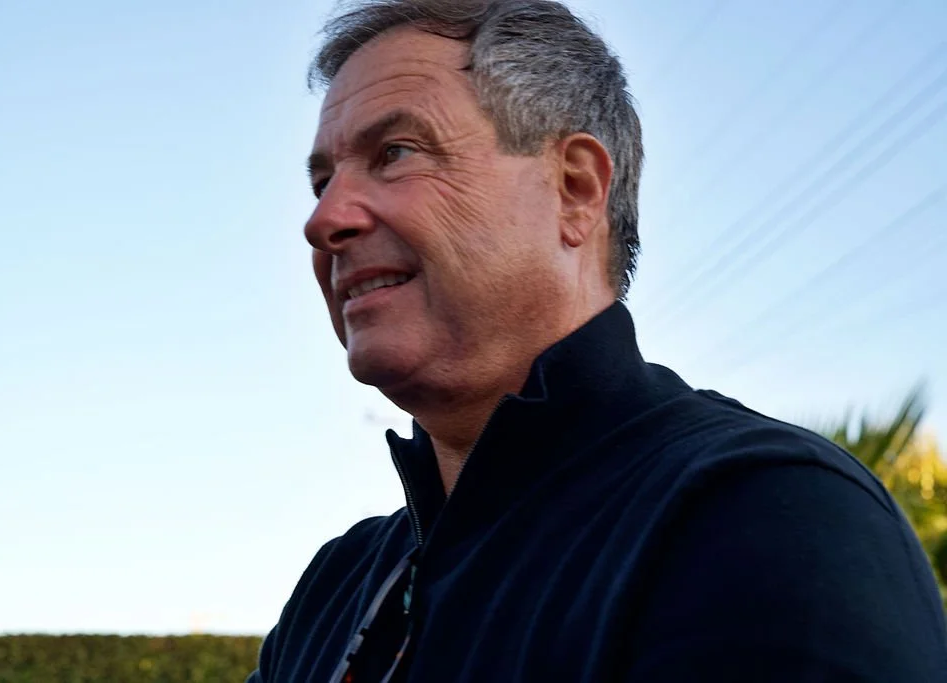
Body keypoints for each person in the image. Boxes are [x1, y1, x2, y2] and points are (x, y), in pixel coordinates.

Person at [247, 1, 947, 680]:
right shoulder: (334, 590)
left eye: (396, 152)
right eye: (322, 181)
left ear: (576, 189)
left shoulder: (761, 512)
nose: (324, 219)